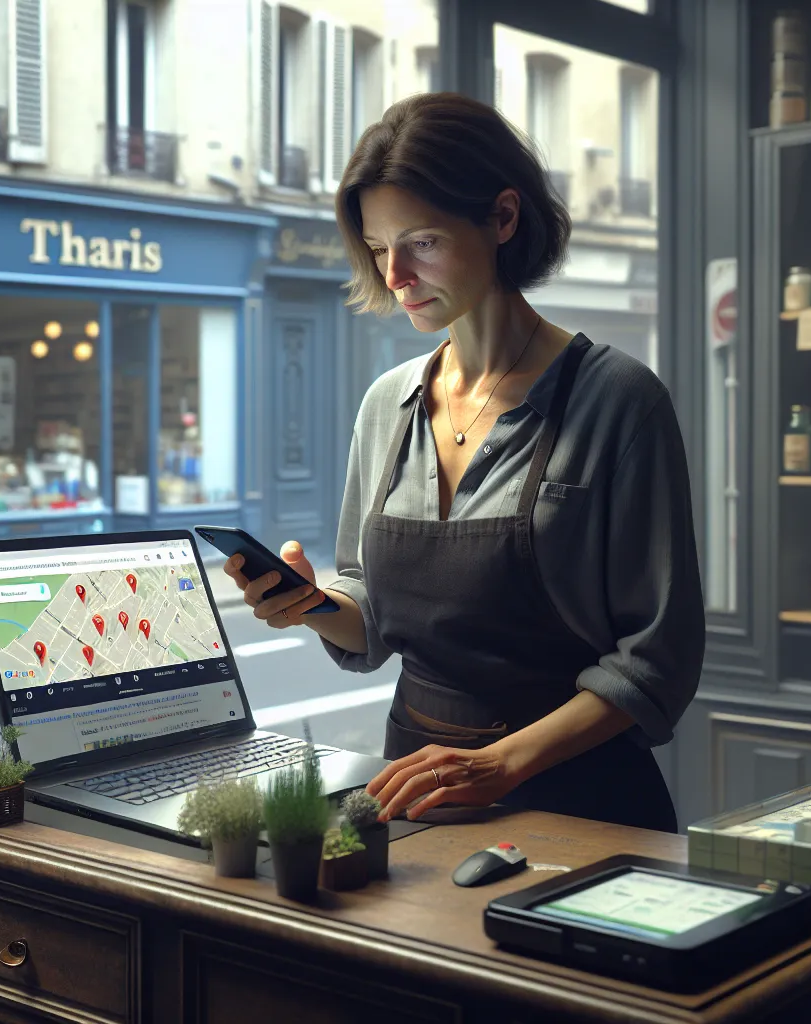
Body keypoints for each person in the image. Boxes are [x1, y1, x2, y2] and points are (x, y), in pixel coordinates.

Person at [222, 93, 703, 833]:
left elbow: (658, 660)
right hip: (413, 793)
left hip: (582, 805)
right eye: (379, 249)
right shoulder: (388, 403)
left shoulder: (619, 401)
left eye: (420, 242)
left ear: (503, 218)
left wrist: (501, 763)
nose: (395, 276)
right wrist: (311, 606)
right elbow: (372, 619)